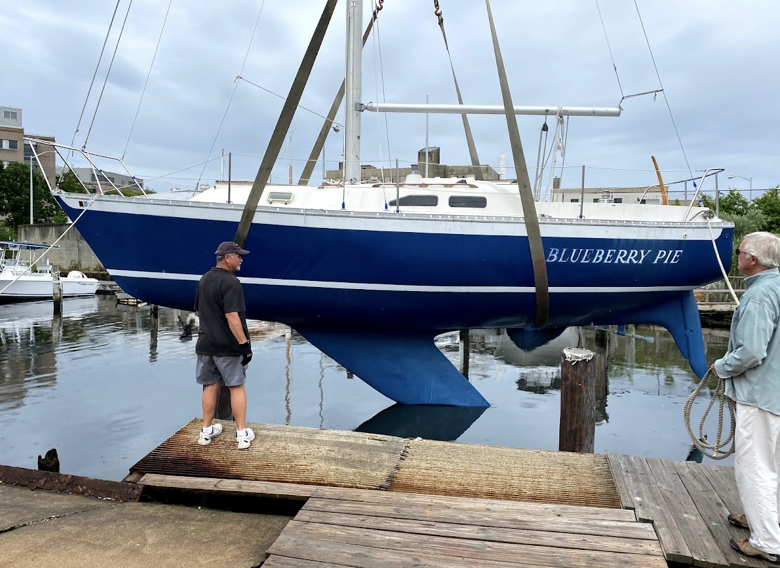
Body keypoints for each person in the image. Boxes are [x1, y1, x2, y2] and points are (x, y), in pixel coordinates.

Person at [712, 231, 780, 564]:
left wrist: (722, 367)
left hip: (761, 394)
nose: (736, 255)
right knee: (774, 464)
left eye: (739, 251)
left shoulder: (759, 295)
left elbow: (752, 351)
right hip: (775, 392)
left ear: (751, 259)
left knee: (755, 467)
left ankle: (766, 541)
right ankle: (766, 521)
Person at [194, 241, 255, 450]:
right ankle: (242, 435)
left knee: (210, 386)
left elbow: (199, 312)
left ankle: (206, 431)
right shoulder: (231, 282)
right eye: (238, 256)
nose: (241, 260)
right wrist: (244, 344)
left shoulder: (204, 279)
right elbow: (232, 316)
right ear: (227, 257)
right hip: (228, 347)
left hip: (206, 345)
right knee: (236, 386)